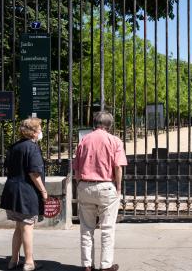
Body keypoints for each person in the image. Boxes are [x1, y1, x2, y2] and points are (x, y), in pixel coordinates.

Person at [73, 111, 127, 271]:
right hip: (106, 186)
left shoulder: (84, 140)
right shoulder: (114, 141)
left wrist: (80, 184)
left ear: (94, 123)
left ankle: (87, 265)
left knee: (86, 228)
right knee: (107, 229)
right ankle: (106, 265)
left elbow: (76, 168)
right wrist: (118, 187)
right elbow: (118, 167)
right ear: (109, 125)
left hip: (85, 186)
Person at [0, 117, 47, 271]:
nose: (41, 131)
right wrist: (43, 190)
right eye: (39, 128)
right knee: (27, 227)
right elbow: (34, 173)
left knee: (18, 227)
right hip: (26, 193)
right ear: (33, 132)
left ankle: (13, 260)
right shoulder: (32, 148)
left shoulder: (14, 146)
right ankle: (28, 262)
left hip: (12, 191)